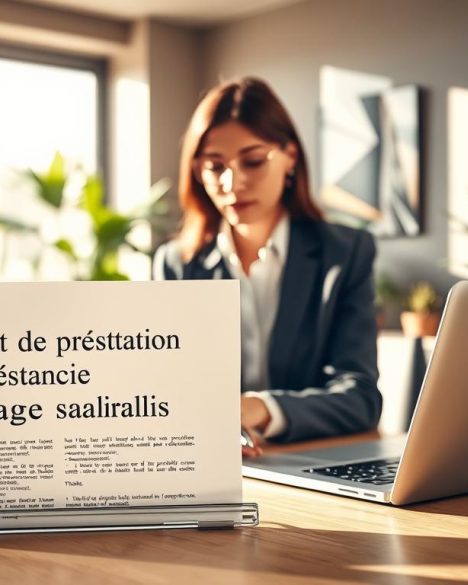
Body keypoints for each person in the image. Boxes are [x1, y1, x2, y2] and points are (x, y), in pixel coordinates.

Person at [153, 77, 381, 453]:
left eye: (254, 161)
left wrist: (259, 409)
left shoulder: (345, 253)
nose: (233, 182)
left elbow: (360, 400)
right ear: (197, 172)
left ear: (290, 156)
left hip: (313, 459)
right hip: (214, 462)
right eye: (214, 167)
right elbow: (169, 388)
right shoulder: (176, 263)